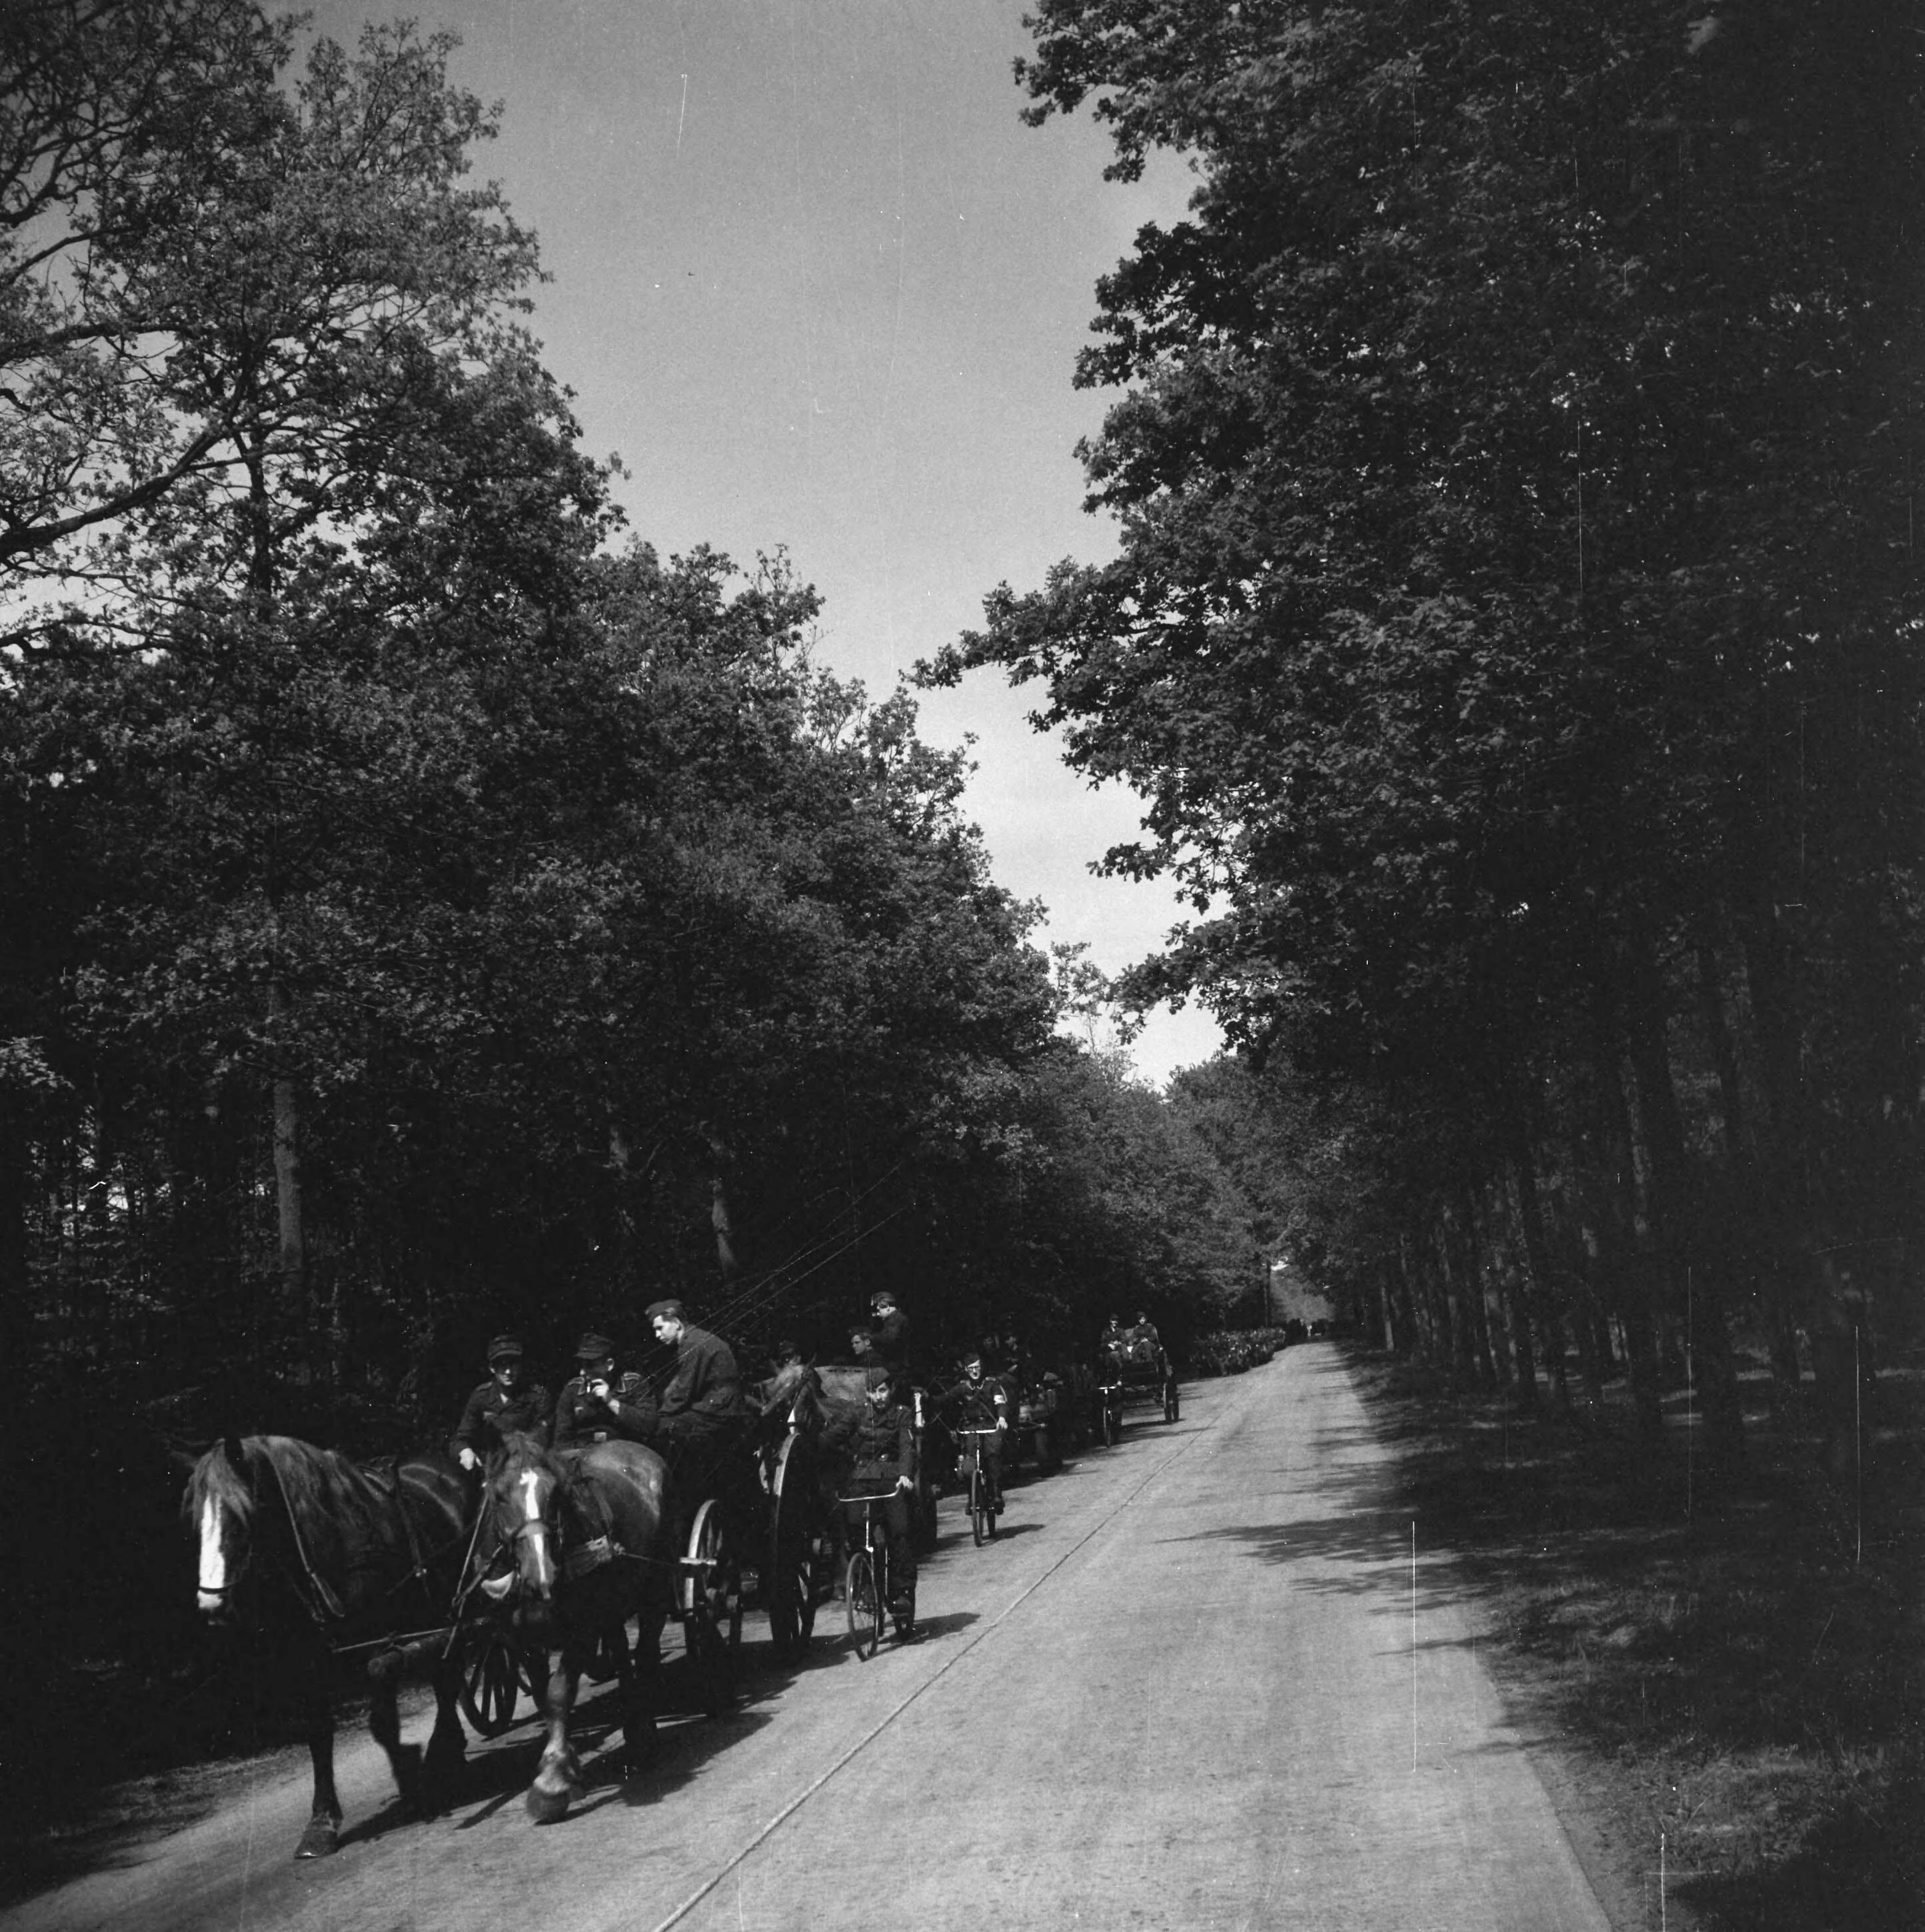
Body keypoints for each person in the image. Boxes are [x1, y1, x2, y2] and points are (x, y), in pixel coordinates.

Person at [843, 1366, 918, 1625]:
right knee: (855, 1529)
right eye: (874, 1392)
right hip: (863, 1479)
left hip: (892, 1479)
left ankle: (902, 1592)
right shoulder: (858, 1414)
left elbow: (907, 1446)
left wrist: (905, 1474)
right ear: (867, 1393)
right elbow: (836, 1435)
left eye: (883, 1390)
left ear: (891, 1390)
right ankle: (865, 1588)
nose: (879, 1397)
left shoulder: (902, 1414)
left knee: (900, 1532)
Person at [451, 1334, 555, 1471]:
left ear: (521, 1366)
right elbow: (461, 1437)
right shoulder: (481, 1396)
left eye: (513, 1365)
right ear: (492, 1368)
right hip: (487, 1466)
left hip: (524, 1466)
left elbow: (543, 1439)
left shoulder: (537, 1397)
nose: (508, 1372)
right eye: (502, 1365)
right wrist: (465, 1451)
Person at [936, 1346, 1009, 1515]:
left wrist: (1002, 1418)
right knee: (968, 1465)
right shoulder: (962, 1388)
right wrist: (925, 1398)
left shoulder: (992, 1384)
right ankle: (972, 1497)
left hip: (989, 1426)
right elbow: (945, 1400)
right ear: (966, 1370)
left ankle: (996, 1493)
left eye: (977, 1367)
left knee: (993, 1455)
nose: (975, 1372)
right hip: (970, 1428)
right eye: (971, 1369)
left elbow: (1001, 1403)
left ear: (981, 1367)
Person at [553, 1331, 656, 1449]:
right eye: (582, 1366)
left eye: (590, 1366)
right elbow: (562, 1439)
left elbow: (649, 1426)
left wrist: (611, 1402)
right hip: (584, 1452)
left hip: (624, 1452)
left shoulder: (633, 1383)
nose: (582, 1372)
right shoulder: (573, 1389)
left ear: (609, 1365)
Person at [865, 1290, 911, 1378]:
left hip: (898, 1366)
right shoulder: (894, 1318)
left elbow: (889, 1338)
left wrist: (871, 1338)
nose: (877, 1310)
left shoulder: (896, 1319)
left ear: (887, 1307)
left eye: (879, 1307)